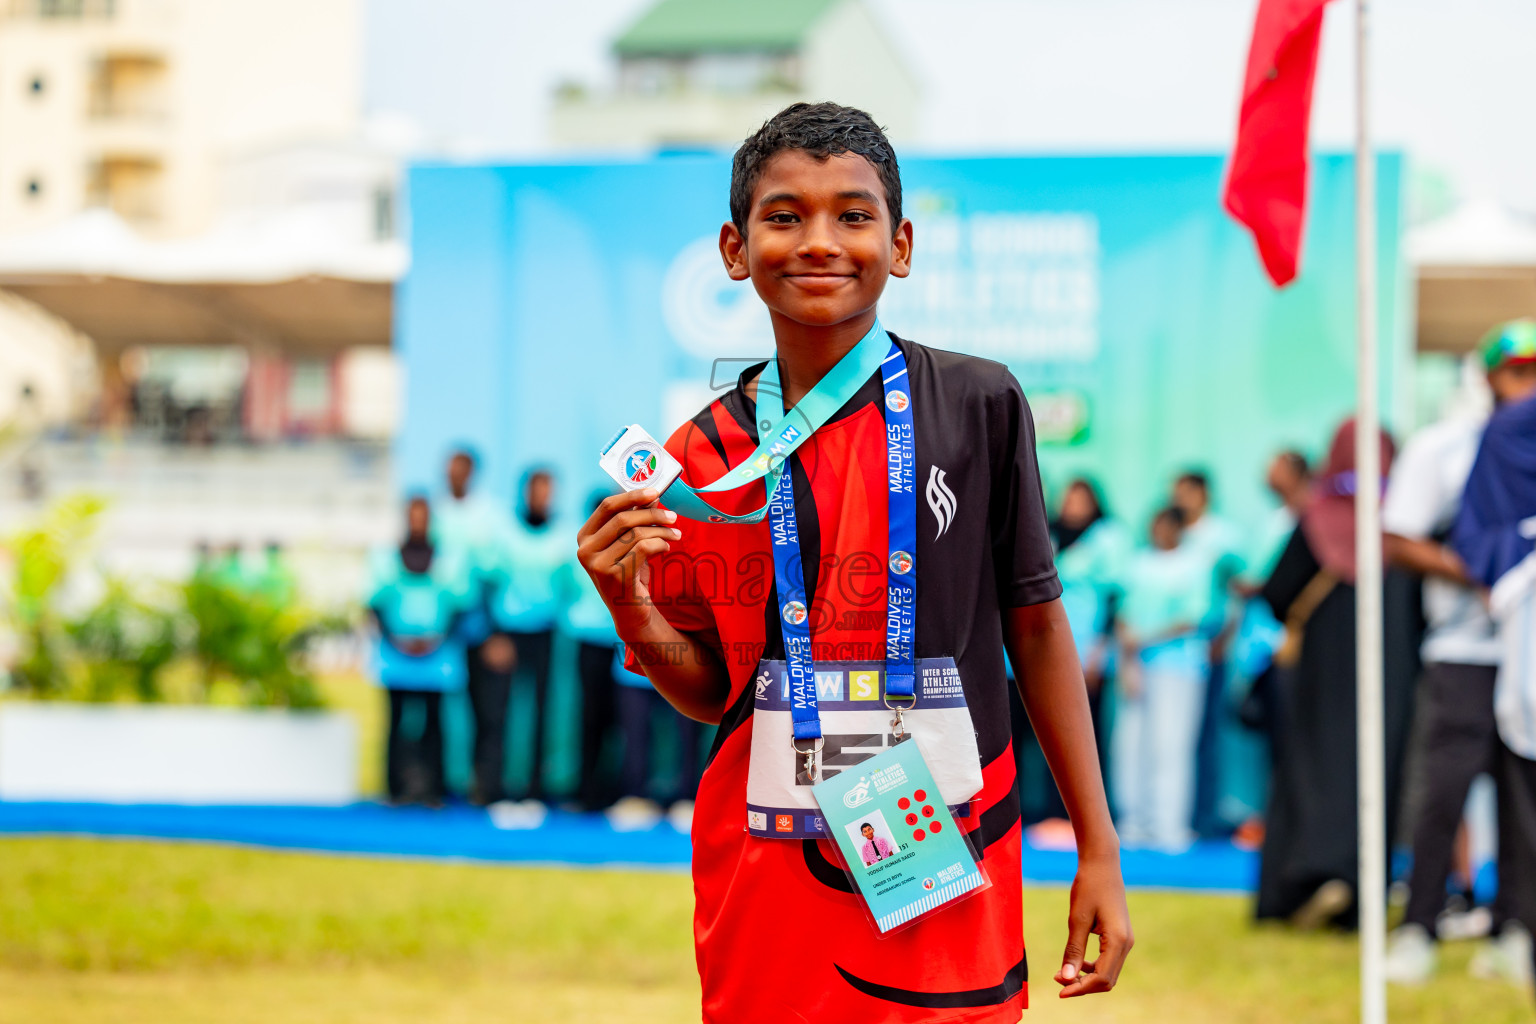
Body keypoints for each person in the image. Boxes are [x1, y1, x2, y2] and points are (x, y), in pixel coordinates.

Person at [576, 102, 1130, 1021]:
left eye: (854, 214)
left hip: (946, 837)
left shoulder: (978, 403)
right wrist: (628, 606)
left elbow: (1035, 625)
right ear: (733, 247)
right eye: (784, 215)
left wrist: (1098, 849)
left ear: (901, 244)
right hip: (767, 861)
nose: (819, 242)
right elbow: (714, 691)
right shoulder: (700, 458)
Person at [1383, 320, 1536, 984]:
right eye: (1518, 371)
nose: (1528, 386)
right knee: (1442, 792)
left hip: (1527, 651)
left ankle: (1515, 930)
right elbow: (1398, 536)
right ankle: (1419, 925)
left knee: (1525, 796)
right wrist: (1482, 569)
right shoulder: (1443, 448)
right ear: (1488, 374)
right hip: (1463, 649)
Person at [1256, 420, 1419, 929]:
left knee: (1311, 769)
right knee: (1376, 769)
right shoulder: (1407, 529)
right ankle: (1355, 891)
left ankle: (1304, 879)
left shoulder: (1317, 519)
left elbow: (1278, 593)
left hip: (1321, 679)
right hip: (1391, 678)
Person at [1111, 507, 1210, 852]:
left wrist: (1144, 638)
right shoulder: (1138, 563)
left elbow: (1191, 618)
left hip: (1178, 667)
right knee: (1130, 744)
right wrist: (1127, 657)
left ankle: (1169, 825)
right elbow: (1122, 612)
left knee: (1170, 744)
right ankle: (1133, 821)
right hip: (1137, 666)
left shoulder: (1194, 564)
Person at [367, 496, 474, 806]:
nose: (417, 522)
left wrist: (436, 640)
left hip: (437, 654)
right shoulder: (385, 558)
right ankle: (395, 788)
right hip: (395, 653)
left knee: (434, 724)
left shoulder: (448, 560)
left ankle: (433, 789)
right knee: (397, 722)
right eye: (412, 516)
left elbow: (460, 606)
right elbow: (374, 604)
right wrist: (396, 640)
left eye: (422, 516)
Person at [433, 447, 513, 805]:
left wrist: (496, 631)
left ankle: (486, 787)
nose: (454, 475)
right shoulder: (433, 512)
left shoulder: (490, 514)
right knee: (436, 707)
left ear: (472, 473)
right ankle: (435, 784)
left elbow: (498, 575)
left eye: (460, 469)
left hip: (481, 623)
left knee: (487, 710)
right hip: (438, 624)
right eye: (449, 468)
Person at [1171, 470, 1248, 836]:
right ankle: (1178, 814)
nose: (1179, 499)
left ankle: (1205, 814)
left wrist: (1226, 638)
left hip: (1212, 641)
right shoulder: (1174, 534)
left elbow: (1238, 592)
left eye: (1185, 491)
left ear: (1203, 493)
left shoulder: (1224, 537)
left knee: (1207, 732)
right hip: (1176, 646)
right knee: (1176, 736)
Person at [486, 467, 566, 802]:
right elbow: (487, 584)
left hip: (545, 633)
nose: (542, 496)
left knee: (541, 713)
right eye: (537, 489)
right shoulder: (504, 534)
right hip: (508, 633)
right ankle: (494, 787)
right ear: (525, 493)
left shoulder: (562, 538)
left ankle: (535, 789)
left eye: (549, 490)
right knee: (499, 712)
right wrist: (494, 634)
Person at [559, 489, 625, 812]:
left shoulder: (628, 548)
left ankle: (613, 789)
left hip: (621, 641)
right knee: (589, 717)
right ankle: (586, 790)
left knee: (618, 718)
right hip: (589, 640)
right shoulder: (579, 551)